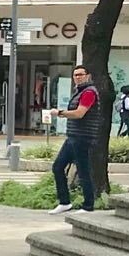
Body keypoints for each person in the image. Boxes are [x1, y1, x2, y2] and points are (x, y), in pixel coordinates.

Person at [50, 64, 99, 215]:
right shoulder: (79, 92)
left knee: (83, 171)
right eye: (75, 75)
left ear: (87, 76)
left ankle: (88, 205)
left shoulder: (89, 92)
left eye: (80, 74)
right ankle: (64, 202)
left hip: (82, 137)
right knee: (58, 167)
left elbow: (79, 113)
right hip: (73, 136)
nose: (78, 77)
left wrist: (60, 113)